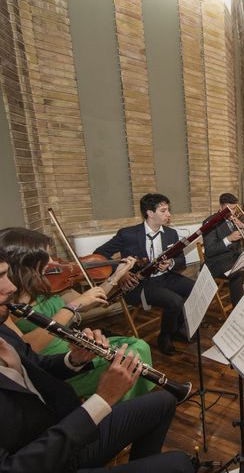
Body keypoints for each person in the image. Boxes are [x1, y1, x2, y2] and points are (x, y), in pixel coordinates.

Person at [0, 248, 194, 472]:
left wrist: (74, 359)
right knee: (179, 464)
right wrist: (102, 400)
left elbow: (36, 364)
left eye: (6, 274)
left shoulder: (3, 332)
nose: (11, 287)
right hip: (51, 456)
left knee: (165, 401)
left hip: (65, 424)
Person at [0, 227, 154, 401]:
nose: (53, 262)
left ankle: (130, 405)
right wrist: (72, 307)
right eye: (46, 257)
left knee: (138, 347)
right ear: (24, 263)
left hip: (73, 348)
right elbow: (26, 348)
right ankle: (115, 408)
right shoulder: (4, 304)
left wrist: (116, 276)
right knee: (130, 359)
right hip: (52, 364)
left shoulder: (46, 284)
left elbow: (91, 301)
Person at [95, 193, 194, 356]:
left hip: (165, 277)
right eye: (164, 211)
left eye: (168, 210)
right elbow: (100, 254)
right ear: (149, 213)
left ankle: (177, 328)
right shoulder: (128, 234)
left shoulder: (171, 234)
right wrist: (121, 273)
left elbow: (181, 259)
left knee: (194, 288)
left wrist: (171, 263)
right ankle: (165, 336)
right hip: (139, 284)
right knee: (175, 301)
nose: (168, 214)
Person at [202, 193, 244, 307]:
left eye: (234, 209)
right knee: (237, 272)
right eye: (229, 209)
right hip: (217, 262)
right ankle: (238, 308)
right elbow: (209, 250)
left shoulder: (234, 218)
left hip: (236, 257)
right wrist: (228, 239)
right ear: (221, 207)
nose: (233, 212)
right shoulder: (210, 223)